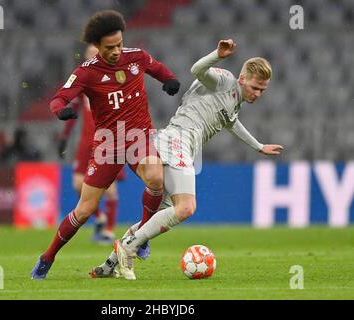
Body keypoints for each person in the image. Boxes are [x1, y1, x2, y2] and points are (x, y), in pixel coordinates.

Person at [94, 39, 284, 280]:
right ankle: (128, 249)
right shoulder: (224, 80)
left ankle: (110, 264)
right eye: (255, 88)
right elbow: (197, 70)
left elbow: (231, 122)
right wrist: (218, 54)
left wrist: (258, 146)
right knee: (186, 208)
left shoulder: (235, 101)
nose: (257, 94)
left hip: (182, 146)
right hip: (177, 140)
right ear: (243, 78)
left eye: (262, 91)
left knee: (159, 214)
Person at [30, 10, 180, 279]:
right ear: (97, 46)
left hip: (139, 137)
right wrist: (60, 110)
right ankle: (47, 257)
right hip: (108, 145)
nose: (116, 51)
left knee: (157, 178)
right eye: (110, 47)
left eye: (119, 44)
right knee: (85, 210)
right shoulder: (86, 73)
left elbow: (158, 69)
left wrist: (169, 80)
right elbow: (59, 98)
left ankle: (141, 236)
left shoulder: (137, 57)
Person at [58, 45, 125, 244]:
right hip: (87, 141)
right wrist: (64, 136)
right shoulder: (83, 82)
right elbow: (74, 111)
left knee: (109, 188)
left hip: (107, 140)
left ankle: (109, 231)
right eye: (89, 55)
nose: (92, 59)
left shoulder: (114, 79)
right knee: (78, 184)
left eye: (96, 55)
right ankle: (100, 218)